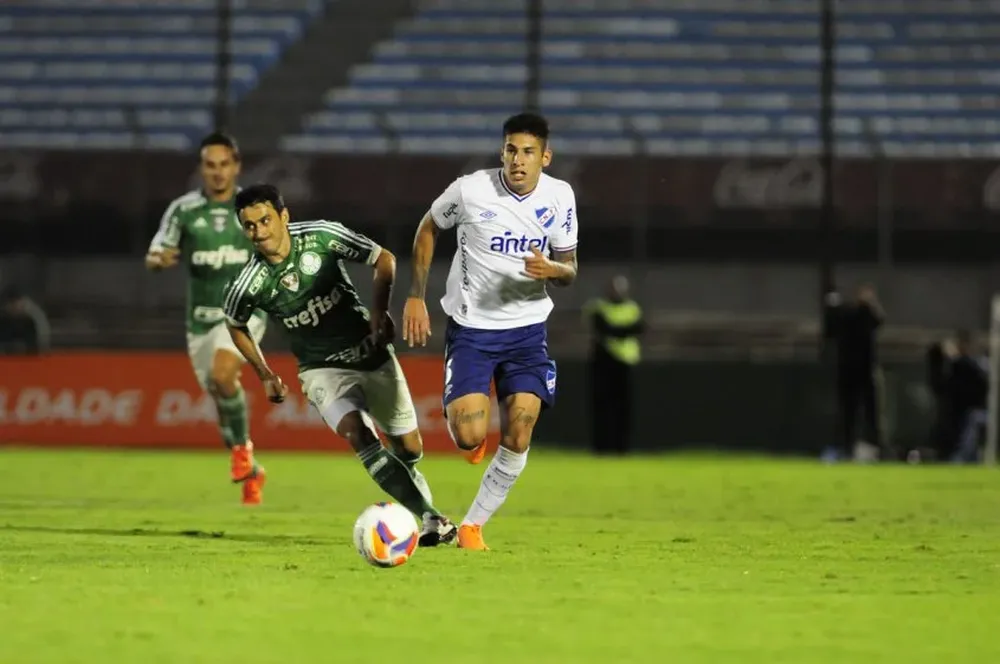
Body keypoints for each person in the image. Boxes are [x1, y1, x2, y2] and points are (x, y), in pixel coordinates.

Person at [222, 183, 457, 547]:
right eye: (250, 226)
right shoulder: (247, 284)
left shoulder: (322, 236)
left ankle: (417, 501)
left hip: (371, 353)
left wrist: (379, 312)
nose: (260, 232)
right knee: (358, 434)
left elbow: (384, 259)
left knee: (409, 450)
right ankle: (432, 517)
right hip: (320, 369)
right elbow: (235, 324)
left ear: (284, 216)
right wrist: (265, 373)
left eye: (266, 220)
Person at [402, 112, 579, 550]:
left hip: (527, 332)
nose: (518, 160)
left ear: (546, 157)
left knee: (519, 432)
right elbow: (428, 227)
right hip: (473, 331)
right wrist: (416, 296)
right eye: (511, 150)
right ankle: (472, 441)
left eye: (528, 152)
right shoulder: (470, 190)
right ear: (502, 151)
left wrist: (551, 268)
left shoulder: (560, 197)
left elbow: (570, 270)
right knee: (470, 436)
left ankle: (471, 526)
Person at [145, 132, 267, 504]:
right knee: (220, 392)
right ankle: (249, 466)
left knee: (222, 374)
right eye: (210, 165)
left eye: (224, 165)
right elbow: (155, 252)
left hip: (245, 312)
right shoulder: (183, 211)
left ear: (236, 166)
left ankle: (242, 451)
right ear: (202, 168)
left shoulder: (252, 208)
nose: (217, 172)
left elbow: (278, 248)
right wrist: (159, 260)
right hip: (199, 319)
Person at [822, 283, 885, 462]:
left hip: (863, 370)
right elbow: (829, 332)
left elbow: (879, 320)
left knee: (869, 413)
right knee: (847, 412)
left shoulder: (866, 314)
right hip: (849, 371)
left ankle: (870, 449)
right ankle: (843, 448)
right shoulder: (845, 314)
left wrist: (870, 304)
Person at [584, 275, 643, 455]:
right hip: (603, 362)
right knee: (602, 408)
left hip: (625, 363)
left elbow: (639, 328)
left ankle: (622, 448)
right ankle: (601, 447)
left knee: (623, 409)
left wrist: (616, 331)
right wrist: (623, 330)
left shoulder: (632, 308)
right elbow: (604, 328)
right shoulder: (598, 307)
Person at [948, 330, 988, 464]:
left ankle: (963, 457)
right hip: (963, 407)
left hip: (972, 407)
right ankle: (967, 457)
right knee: (966, 433)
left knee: (969, 432)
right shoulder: (961, 364)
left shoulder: (974, 365)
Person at [0, 283, 50, 355]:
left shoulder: (33, 316)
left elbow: (43, 338)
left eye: (15, 302)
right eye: (10, 304)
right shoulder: (3, 319)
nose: (13, 306)